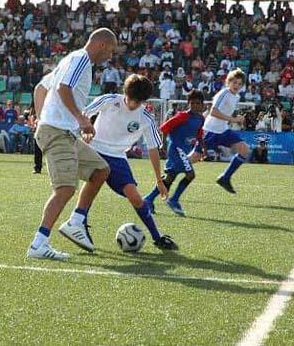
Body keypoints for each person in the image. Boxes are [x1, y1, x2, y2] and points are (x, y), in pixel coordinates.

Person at [27, 28, 116, 260]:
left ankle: (76, 222)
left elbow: (41, 88)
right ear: (101, 45)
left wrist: (40, 119)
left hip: (63, 132)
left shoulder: (71, 59)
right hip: (58, 132)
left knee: (101, 169)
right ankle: (39, 243)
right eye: (111, 50)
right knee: (65, 188)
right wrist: (81, 119)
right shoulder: (81, 60)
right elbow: (62, 89)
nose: (110, 56)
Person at [83, 74, 178, 250]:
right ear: (125, 93)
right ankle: (80, 224)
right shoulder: (109, 100)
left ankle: (157, 238)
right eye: (131, 99)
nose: (133, 104)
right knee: (91, 189)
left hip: (118, 157)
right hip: (95, 150)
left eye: (138, 102)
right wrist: (85, 129)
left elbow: (153, 149)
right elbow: (84, 113)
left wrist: (159, 180)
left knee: (135, 197)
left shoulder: (146, 118)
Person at [143, 89, 206, 217]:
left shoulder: (200, 118)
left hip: (186, 150)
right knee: (190, 174)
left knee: (170, 177)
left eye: (198, 103)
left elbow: (199, 134)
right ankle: (174, 200)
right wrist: (163, 144)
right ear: (188, 103)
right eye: (192, 103)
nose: (195, 105)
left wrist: (203, 148)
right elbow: (164, 127)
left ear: (202, 105)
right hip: (177, 149)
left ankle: (148, 199)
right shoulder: (182, 116)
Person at [202, 69, 250, 194]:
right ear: (228, 82)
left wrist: (237, 119)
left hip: (223, 130)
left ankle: (225, 177)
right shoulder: (223, 93)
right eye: (234, 82)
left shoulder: (237, 96)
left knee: (244, 149)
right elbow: (213, 111)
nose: (237, 86)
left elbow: (226, 112)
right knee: (194, 158)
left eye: (240, 84)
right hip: (211, 130)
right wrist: (233, 119)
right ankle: (170, 173)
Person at [31, 70, 54, 173]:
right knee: (37, 144)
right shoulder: (39, 91)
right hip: (41, 121)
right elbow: (33, 107)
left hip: (53, 122)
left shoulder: (55, 92)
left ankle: (54, 168)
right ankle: (37, 167)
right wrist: (35, 118)